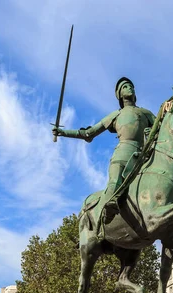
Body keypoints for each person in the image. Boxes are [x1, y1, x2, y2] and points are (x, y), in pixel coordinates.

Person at [54, 77, 155, 214]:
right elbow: (89, 133)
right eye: (125, 87)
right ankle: (104, 217)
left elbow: (163, 130)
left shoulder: (145, 113)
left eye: (131, 86)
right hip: (123, 155)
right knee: (114, 183)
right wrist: (64, 132)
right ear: (119, 94)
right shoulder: (115, 115)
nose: (129, 88)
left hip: (144, 157)